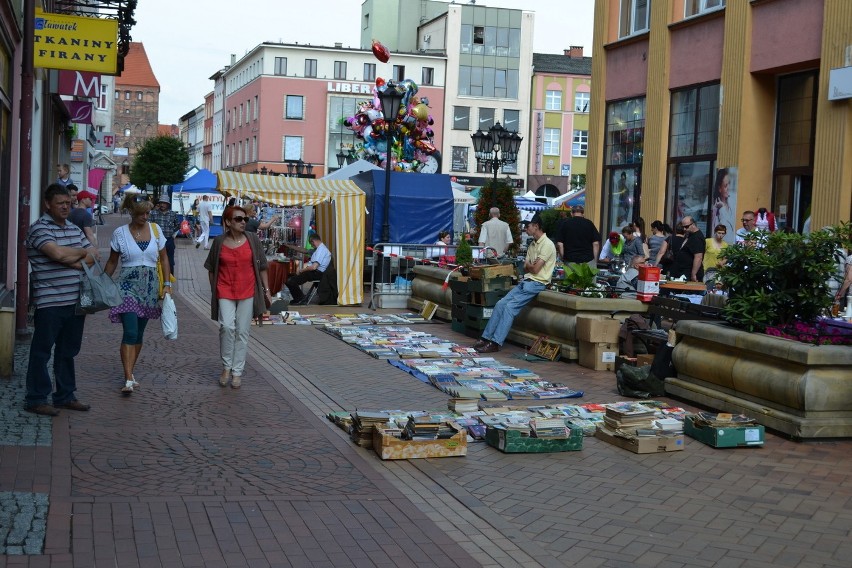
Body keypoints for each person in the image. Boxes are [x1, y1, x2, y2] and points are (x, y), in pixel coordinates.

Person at [23, 184, 96, 416]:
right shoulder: (39, 229)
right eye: (60, 203)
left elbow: (94, 254)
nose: (66, 207)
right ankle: (35, 398)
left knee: (68, 351)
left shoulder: (74, 228)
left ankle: (64, 395)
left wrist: (73, 255)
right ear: (47, 204)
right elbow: (56, 253)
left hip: (75, 301)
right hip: (50, 301)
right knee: (41, 351)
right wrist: (78, 255)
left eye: (68, 203)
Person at [104, 194, 171, 395]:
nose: (145, 216)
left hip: (150, 286)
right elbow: (112, 261)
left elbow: (165, 259)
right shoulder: (120, 233)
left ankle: (131, 372)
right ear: (131, 212)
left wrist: (166, 284)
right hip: (127, 286)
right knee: (130, 332)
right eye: (141, 212)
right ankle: (127, 378)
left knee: (139, 334)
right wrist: (102, 282)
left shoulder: (156, 230)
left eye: (148, 212)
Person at [204, 206, 271, 389]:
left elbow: (263, 266)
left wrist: (267, 290)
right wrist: (214, 291)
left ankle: (237, 372)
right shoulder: (219, 242)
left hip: (248, 290)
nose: (243, 222)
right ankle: (226, 367)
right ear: (227, 222)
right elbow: (211, 268)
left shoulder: (253, 240)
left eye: (245, 219)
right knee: (227, 327)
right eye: (239, 219)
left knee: (242, 331)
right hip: (224, 289)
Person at [473, 214, 556, 353]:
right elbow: (525, 266)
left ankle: (495, 342)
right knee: (500, 304)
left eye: (527, 226)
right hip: (527, 281)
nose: (525, 229)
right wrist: (530, 265)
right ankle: (485, 338)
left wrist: (530, 265)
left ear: (536, 226)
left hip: (537, 283)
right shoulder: (532, 244)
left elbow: (535, 268)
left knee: (510, 308)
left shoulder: (547, 244)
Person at [286, 233, 332, 305]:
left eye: (311, 243)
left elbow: (314, 267)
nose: (311, 245)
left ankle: (300, 298)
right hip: (313, 272)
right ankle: (299, 298)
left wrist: (302, 270)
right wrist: (289, 246)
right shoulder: (317, 249)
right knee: (288, 277)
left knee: (290, 281)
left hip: (316, 273)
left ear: (313, 241)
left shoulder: (321, 250)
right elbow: (304, 250)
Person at [556, 205, 600, 269]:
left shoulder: (565, 224)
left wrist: (563, 257)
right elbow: (596, 243)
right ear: (583, 213)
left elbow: (559, 244)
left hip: (570, 261)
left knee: (571, 279)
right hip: (587, 261)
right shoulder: (589, 224)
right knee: (588, 279)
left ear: (571, 213)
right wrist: (595, 261)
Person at [149, 195, 180, 276]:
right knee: (155, 260)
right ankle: (156, 277)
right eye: (161, 203)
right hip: (156, 241)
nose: (162, 205)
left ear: (168, 204)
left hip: (169, 240)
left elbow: (177, 225)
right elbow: (148, 225)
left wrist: (172, 232)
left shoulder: (173, 214)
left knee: (170, 261)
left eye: (164, 203)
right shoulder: (153, 213)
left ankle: (169, 278)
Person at [669, 215, 705, 282]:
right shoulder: (690, 234)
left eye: (686, 227)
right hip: (682, 271)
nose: (684, 229)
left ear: (693, 224)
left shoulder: (697, 237)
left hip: (689, 272)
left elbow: (698, 257)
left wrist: (693, 274)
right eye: (683, 227)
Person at [711, 168, 736, 240]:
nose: (728, 188)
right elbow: (722, 227)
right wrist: (722, 209)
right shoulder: (716, 207)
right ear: (719, 188)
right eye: (725, 186)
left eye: (729, 184)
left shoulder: (732, 203)